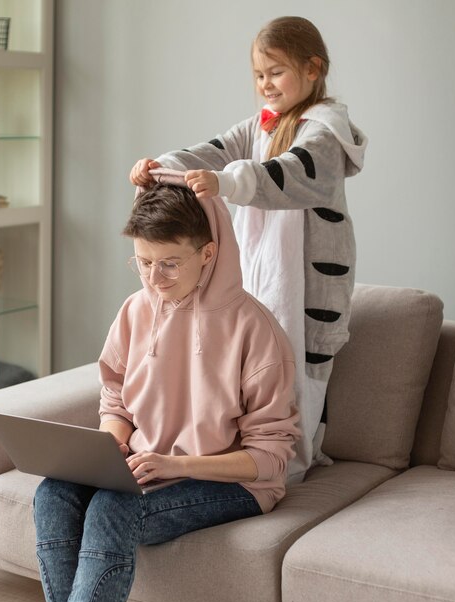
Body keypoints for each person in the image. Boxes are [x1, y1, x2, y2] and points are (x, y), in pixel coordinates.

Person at [34, 171, 300, 602]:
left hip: (234, 484)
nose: (154, 278)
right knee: (53, 493)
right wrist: (112, 444)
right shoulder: (135, 310)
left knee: (113, 507)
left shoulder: (255, 330)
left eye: (170, 264)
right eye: (143, 262)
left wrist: (176, 466)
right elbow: (116, 400)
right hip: (149, 469)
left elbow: (271, 459)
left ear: (208, 253)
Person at [130, 16, 368, 483]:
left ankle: (289, 464)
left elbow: (286, 173)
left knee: (302, 369)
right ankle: (244, 454)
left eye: (276, 72)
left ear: (313, 69)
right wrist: (161, 166)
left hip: (311, 283)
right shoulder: (259, 127)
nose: (266, 84)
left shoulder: (325, 135)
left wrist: (225, 181)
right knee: (251, 360)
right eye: (259, 75)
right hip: (264, 273)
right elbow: (212, 152)